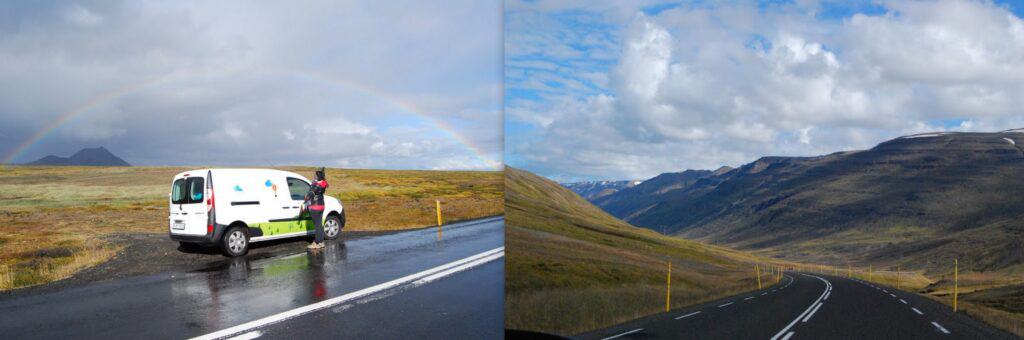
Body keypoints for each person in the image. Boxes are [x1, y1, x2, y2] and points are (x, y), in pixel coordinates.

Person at [304, 167, 329, 250]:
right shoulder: (323, 184)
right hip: (321, 205)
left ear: (317, 177)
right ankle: (321, 242)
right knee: (319, 225)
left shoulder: (316, 185)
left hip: (315, 207)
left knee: (317, 226)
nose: (313, 176)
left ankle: (317, 243)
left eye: (315, 175)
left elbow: (309, 195)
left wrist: (306, 199)